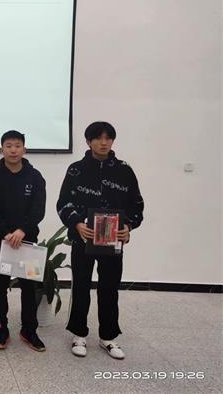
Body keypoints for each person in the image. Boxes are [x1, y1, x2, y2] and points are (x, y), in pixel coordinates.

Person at [56, 121, 144, 360]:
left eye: (108, 138)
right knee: (81, 286)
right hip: (82, 239)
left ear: (113, 141)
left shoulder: (124, 170)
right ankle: (78, 334)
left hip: (112, 240)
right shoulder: (76, 169)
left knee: (109, 288)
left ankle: (108, 337)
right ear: (88, 142)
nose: (103, 143)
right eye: (98, 138)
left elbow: (136, 204)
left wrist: (128, 227)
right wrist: (77, 224)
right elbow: (63, 203)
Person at [0, 130, 47, 351]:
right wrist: (7, 233)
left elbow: (38, 209)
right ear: (1, 149)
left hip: (28, 243)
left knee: (29, 289)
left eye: (18, 146)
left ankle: (29, 330)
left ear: (24, 149)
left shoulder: (35, 177)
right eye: (8, 146)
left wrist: (22, 231)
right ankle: (1, 329)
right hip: (0, 242)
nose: (13, 150)